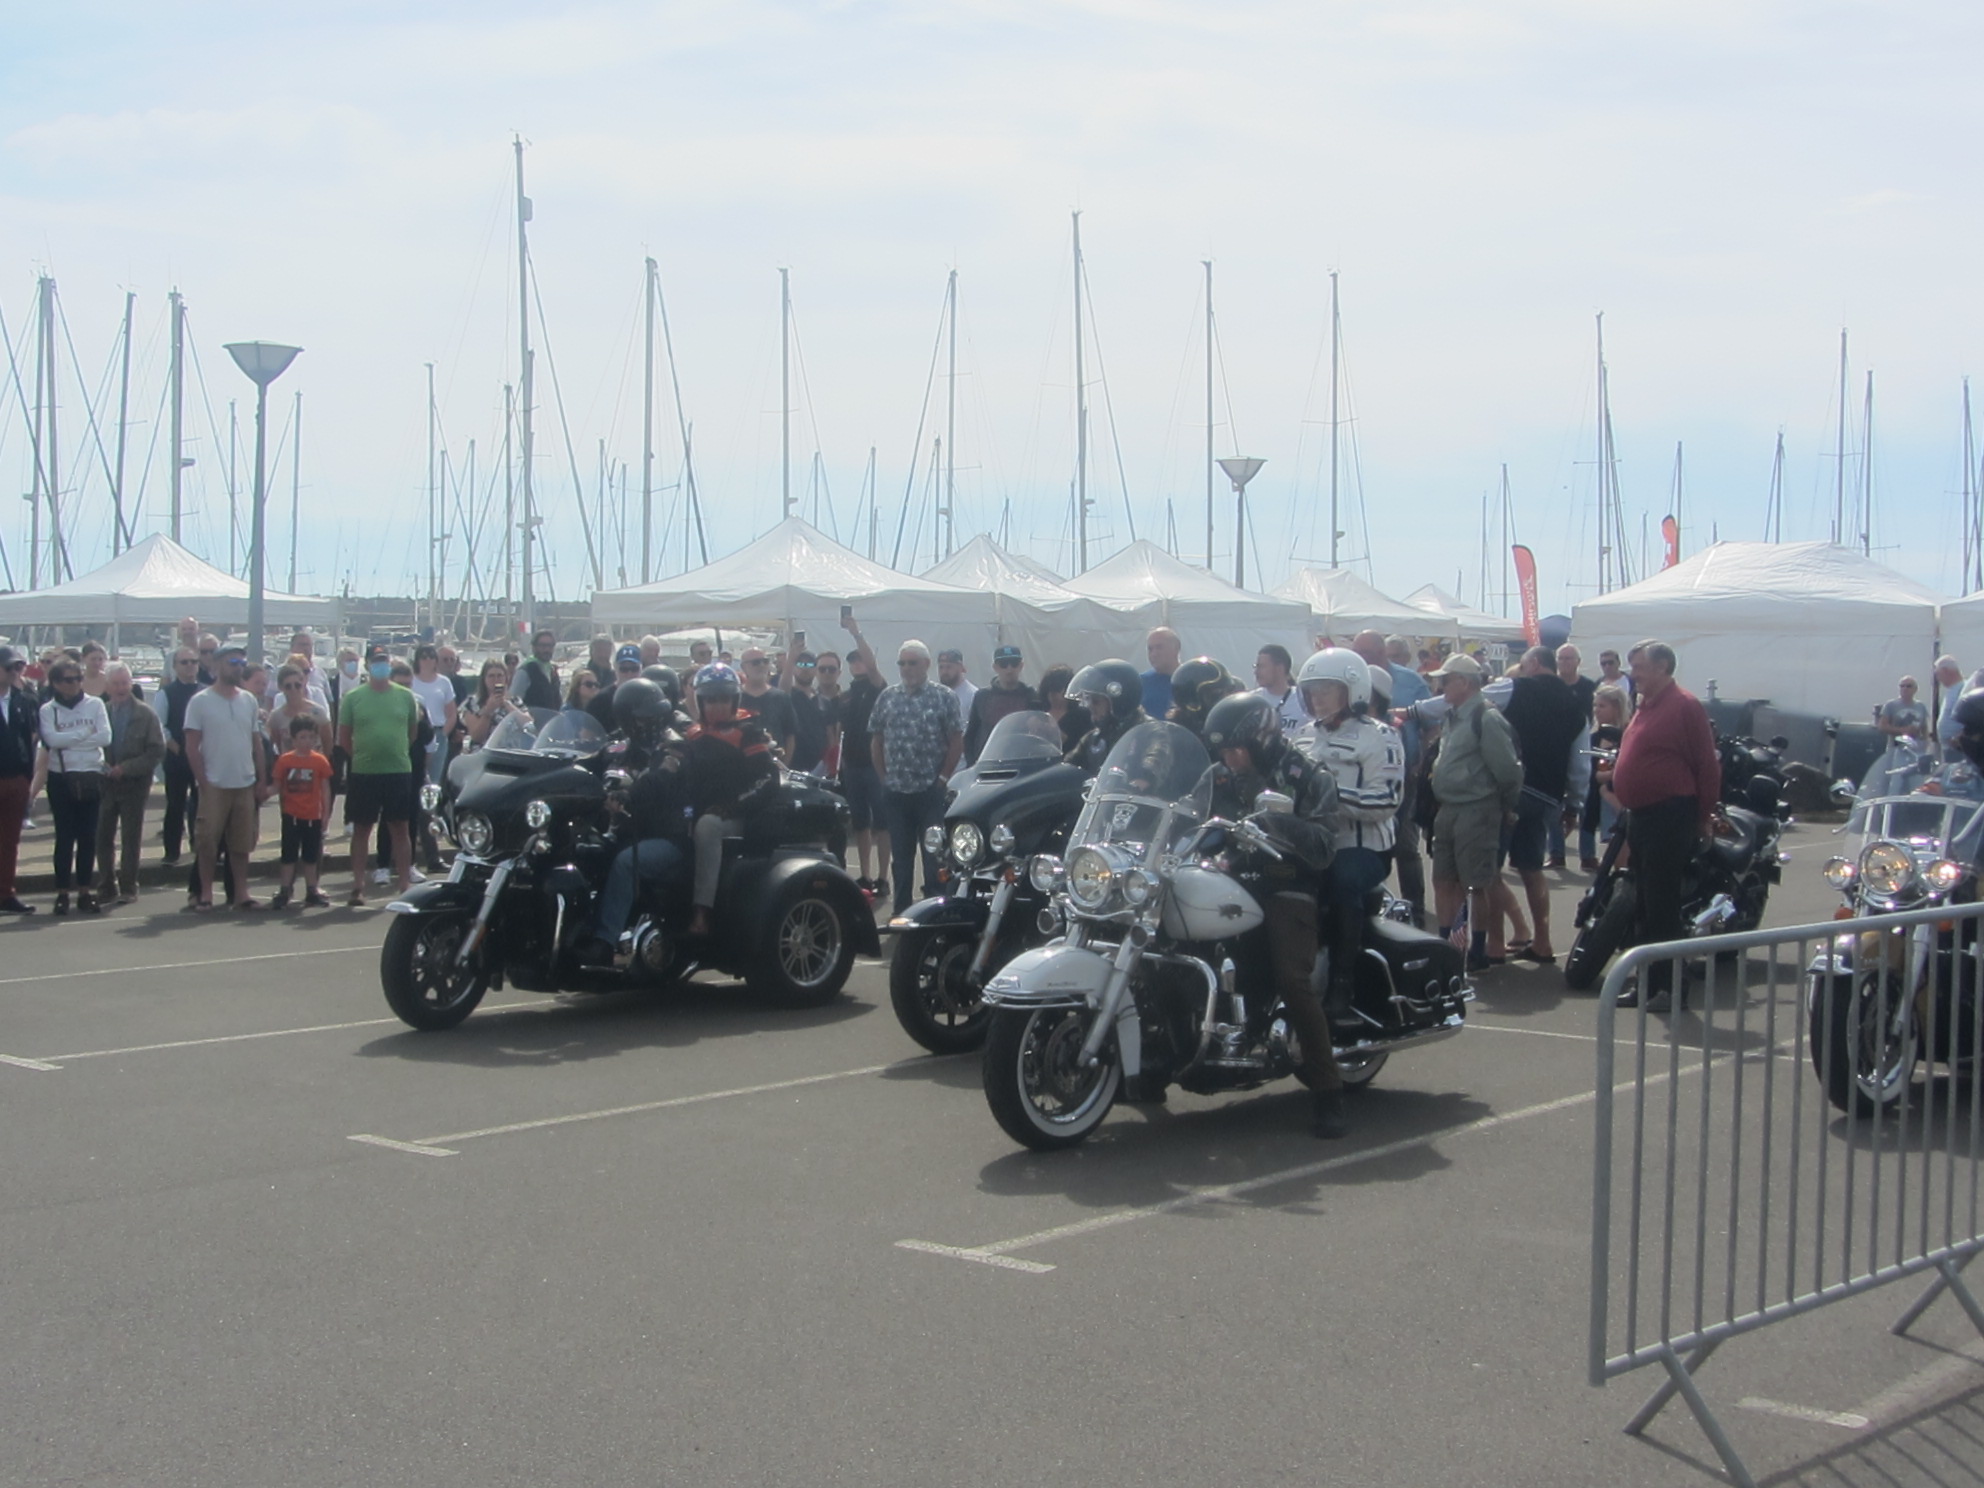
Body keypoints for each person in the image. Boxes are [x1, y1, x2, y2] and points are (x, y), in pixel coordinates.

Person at [1200, 690, 1350, 1139]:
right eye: (1223, 750)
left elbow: (1324, 848)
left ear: (1261, 740)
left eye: (1235, 748)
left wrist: (1272, 822)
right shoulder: (1220, 774)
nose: (1228, 758)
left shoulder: (1306, 775)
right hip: (1229, 878)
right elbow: (1185, 808)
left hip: (1288, 884)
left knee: (1291, 977)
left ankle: (1328, 1091)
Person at [1606, 640, 1721, 1012]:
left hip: (1670, 816)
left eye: (1638, 667)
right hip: (1641, 816)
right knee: (1640, 904)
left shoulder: (1684, 706)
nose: (1632, 674)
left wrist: (1703, 817)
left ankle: (1671, 989)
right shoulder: (1645, 706)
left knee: (1662, 906)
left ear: (1662, 668)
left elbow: (1706, 765)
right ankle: (1645, 982)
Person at [1291, 649, 1404, 1013]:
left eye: (1326, 688)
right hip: (1311, 842)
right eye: (1311, 689)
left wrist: (1330, 796)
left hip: (1361, 846)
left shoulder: (1380, 737)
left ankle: (1343, 981)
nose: (1317, 697)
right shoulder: (1302, 736)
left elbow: (1387, 800)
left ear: (1352, 691)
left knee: (1340, 880)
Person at [578, 679, 691, 963]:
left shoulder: (673, 747)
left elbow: (658, 780)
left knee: (626, 863)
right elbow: (581, 766)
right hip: (626, 834)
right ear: (627, 720)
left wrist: (627, 794)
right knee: (581, 852)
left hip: (670, 839)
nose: (652, 722)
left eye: (657, 715)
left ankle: (604, 942)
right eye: (644, 717)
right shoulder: (616, 749)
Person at [1425, 652, 1522, 974]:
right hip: (1450, 807)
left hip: (1477, 808)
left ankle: (1475, 950)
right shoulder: (1454, 717)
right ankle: (1449, 947)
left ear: (1464, 682)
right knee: (1443, 880)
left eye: (1446, 680)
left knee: (1475, 883)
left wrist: (1505, 806)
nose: (1440, 687)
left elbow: (1508, 770)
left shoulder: (1486, 717)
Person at [1499, 646, 1587, 964]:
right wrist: (1573, 805)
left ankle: (1500, 941)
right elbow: (1580, 766)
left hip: (1513, 789)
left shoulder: (1516, 688)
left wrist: (1412, 711)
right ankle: (1543, 940)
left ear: (1533, 664)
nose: (1521, 672)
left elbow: (1469, 697)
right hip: (1547, 795)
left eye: (1523, 666)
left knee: (1489, 869)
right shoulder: (1577, 707)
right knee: (1532, 869)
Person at [682, 664, 779, 938]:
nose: (718, 706)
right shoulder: (691, 734)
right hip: (697, 811)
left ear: (734, 700)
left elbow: (767, 781)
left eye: (724, 699)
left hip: (739, 816)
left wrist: (732, 807)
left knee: (708, 826)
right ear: (700, 701)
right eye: (711, 699)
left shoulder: (747, 733)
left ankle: (702, 911)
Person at [869, 639, 963, 914]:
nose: (907, 668)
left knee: (934, 859)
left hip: (929, 791)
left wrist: (944, 778)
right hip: (896, 793)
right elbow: (876, 739)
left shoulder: (944, 696)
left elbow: (956, 740)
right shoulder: (887, 696)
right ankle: (901, 913)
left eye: (912, 663)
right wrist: (883, 777)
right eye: (902, 663)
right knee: (901, 860)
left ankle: (935, 913)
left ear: (926, 665)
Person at [184, 644, 268, 912]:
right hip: (215, 784)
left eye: (241, 663)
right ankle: (206, 892)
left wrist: (261, 779)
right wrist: (203, 783)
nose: (238, 667)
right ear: (217, 665)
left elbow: (257, 743)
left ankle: (241, 892)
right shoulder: (201, 701)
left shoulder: (248, 700)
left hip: (244, 781)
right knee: (208, 842)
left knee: (242, 842)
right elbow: (191, 746)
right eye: (233, 662)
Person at [339, 646, 419, 906]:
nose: (381, 666)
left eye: (384, 661)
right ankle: (358, 884)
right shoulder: (353, 698)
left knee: (400, 827)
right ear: (368, 665)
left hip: (398, 770)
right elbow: (344, 737)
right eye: (376, 661)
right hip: (364, 772)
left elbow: (412, 732)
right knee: (362, 828)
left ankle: (404, 881)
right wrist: (363, 756)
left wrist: (394, 751)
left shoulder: (406, 697)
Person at [36, 658, 110, 915]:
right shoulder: (49, 710)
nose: (75, 684)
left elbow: (105, 736)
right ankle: (61, 892)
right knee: (65, 837)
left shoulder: (95, 704)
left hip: (90, 774)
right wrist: (84, 734)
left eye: (78, 679)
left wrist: (71, 740)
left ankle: (85, 891)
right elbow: (52, 740)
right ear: (56, 683)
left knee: (88, 837)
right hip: (61, 777)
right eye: (69, 680)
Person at [92, 663, 164, 907]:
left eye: (125, 683)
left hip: (134, 784)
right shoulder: (101, 711)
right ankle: (106, 886)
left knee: (131, 838)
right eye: (116, 684)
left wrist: (127, 769)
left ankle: (128, 886)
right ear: (108, 686)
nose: (121, 688)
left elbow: (156, 751)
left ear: (131, 684)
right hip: (106, 784)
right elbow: (92, 745)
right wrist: (103, 768)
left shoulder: (145, 714)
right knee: (102, 837)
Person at [836, 615, 890, 896]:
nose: (857, 663)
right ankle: (866, 876)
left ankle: (883, 876)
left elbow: (872, 665)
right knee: (860, 823)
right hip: (853, 765)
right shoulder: (845, 695)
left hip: (875, 765)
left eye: (860, 659)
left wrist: (856, 633)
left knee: (882, 822)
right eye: (852, 661)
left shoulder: (877, 686)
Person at [270, 716, 334, 910]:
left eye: (311, 737)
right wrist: (264, 793)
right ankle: (284, 889)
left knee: (311, 855)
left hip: (312, 815)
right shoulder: (285, 760)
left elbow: (325, 788)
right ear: (293, 738)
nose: (307, 741)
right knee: (288, 854)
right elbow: (277, 785)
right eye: (302, 737)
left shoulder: (319, 761)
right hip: (291, 814)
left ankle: (312, 889)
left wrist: (325, 814)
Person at [154, 646, 204, 865]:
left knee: (200, 805)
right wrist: (174, 746)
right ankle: (171, 852)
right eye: (184, 662)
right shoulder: (166, 693)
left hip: (202, 758)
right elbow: (159, 725)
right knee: (175, 805)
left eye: (193, 662)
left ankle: (199, 848)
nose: (189, 666)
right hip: (176, 758)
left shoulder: (206, 691)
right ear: (175, 667)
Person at [1065, 658, 1148, 776]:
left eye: (1096, 701)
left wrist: (1145, 778)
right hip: (1096, 794)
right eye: (1087, 699)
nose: (1089, 707)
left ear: (1119, 702)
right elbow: (1070, 766)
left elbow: (1155, 760)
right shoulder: (1093, 738)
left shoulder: (1149, 733)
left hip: (1130, 794)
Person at [0, 647, 36, 913]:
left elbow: (28, 738)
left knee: (10, 840)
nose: (14, 672)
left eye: (17, 668)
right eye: (9, 667)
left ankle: (5, 893)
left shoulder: (22, 700)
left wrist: (27, 777)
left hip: (16, 778)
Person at [963, 645, 1039, 764]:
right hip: (987, 762)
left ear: (1021, 666)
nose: (1009, 669)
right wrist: (972, 763)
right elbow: (971, 734)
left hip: (1020, 762)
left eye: (1014, 663)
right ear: (995, 667)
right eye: (1003, 664)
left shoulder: (1031, 696)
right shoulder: (982, 696)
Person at [1582, 683, 1632, 856]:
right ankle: (1588, 856)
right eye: (1595, 705)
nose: (1596, 710)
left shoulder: (1630, 734)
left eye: (1602, 706)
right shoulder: (1592, 737)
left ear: (1617, 707)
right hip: (1595, 793)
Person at [408, 644, 458, 792]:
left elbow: (452, 712)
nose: (428, 659)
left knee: (434, 780)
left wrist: (443, 734)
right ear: (417, 660)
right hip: (415, 733)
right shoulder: (410, 680)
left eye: (431, 656)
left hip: (438, 733)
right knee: (414, 776)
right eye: (423, 656)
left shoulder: (444, 682)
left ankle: (430, 812)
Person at [738, 648, 796, 758]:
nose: (761, 665)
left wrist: (785, 766)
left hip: (775, 765)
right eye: (755, 662)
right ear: (743, 667)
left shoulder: (781, 697)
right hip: (742, 765)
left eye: (765, 661)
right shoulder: (735, 697)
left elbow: (790, 735)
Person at [1165, 656, 1240, 739]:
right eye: (1217, 693)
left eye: (1230, 690)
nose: (1227, 697)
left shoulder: (1236, 727)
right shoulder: (1173, 736)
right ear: (1192, 701)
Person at [783, 651, 829, 772]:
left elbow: (831, 735)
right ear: (793, 668)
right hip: (793, 765)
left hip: (818, 768)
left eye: (809, 665)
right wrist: (791, 656)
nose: (805, 668)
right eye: (800, 664)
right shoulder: (788, 696)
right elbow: (783, 690)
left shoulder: (823, 701)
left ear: (815, 670)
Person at [462, 657, 523, 749]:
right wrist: (488, 711)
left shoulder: (515, 701)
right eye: (491, 676)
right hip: (483, 753)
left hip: (509, 752)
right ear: (484, 679)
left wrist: (506, 704)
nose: (496, 680)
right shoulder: (472, 703)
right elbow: (476, 737)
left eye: (500, 676)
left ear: (506, 678)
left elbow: (529, 724)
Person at [589, 643, 646, 730]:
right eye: (624, 669)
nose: (629, 674)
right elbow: (588, 734)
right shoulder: (600, 700)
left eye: (634, 669)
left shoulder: (649, 696)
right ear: (615, 669)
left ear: (641, 669)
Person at [1252, 644, 1307, 731]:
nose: (1256, 672)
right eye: (1256, 666)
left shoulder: (1303, 700)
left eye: (1261, 666)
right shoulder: (1252, 700)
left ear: (1280, 669)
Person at [1039, 663, 1086, 755]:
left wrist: (1054, 732)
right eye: (1050, 689)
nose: (1053, 694)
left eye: (1058, 689)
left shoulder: (1081, 716)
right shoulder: (1038, 712)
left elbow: (1081, 744)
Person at [1141, 627, 1182, 720]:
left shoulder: (1192, 681)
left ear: (1176, 647)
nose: (1154, 654)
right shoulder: (1140, 684)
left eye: (1159, 647)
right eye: (1150, 649)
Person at [516, 629, 562, 710]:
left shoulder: (552, 670)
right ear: (534, 647)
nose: (547, 650)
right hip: (532, 720)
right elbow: (514, 700)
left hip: (551, 721)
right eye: (543, 646)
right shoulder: (525, 671)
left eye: (550, 646)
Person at [1935, 655, 1968, 756]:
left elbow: (1970, 716)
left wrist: (1960, 736)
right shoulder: (1951, 690)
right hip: (1949, 748)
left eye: (1938, 674)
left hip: (1960, 747)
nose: (1937, 678)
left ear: (1945, 671)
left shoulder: (1964, 689)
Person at [1880, 677, 1929, 742]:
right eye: (1902, 686)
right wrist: (1902, 730)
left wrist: (1926, 742)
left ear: (1915, 689)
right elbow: (1882, 726)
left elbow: (1924, 728)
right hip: (1895, 747)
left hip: (1916, 747)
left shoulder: (1921, 706)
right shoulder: (1890, 705)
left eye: (1909, 686)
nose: (1905, 688)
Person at [938, 648, 977, 724]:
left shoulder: (973, 695)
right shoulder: (936, 695)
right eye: (941, 667)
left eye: (949, 667)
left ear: (961, 668)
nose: (944, 672)